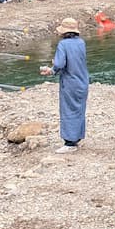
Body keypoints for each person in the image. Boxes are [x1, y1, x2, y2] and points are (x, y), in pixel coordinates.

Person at [42, 18, 89, 151]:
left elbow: (59, 64)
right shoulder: (81, 42)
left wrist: (51, 70)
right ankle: (77, 137)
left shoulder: (63, 44)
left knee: (68, 110)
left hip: (70, 82)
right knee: (79, 109)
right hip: (82, 80)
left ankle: (70, 143)